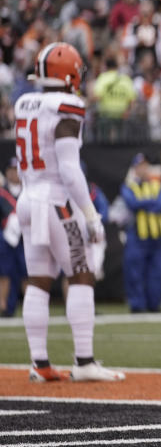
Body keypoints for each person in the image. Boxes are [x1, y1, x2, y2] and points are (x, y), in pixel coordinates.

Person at [14, 42, 124, 382]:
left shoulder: (24, 102)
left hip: (28, 197)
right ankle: (85, 361)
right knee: (81, 273)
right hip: (56, 200)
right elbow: (70, 170)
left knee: (39, 280)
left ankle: (40, 363)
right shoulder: (67, 104)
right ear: (70, 75)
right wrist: (91, 215)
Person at [120, 152, 161, 313]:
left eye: (145, 166)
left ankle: (154, 304)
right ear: (134, 169)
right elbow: (132, 203)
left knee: (157, 272)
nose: (143, 169)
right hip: (137, 235)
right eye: (140, 166)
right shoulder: (128, 186)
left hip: (157, 236)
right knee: (135, 272)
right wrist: (150, 202)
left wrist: (143, 203)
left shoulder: (157, 185)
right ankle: (137, 305)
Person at [0, 158, 26, 316]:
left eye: (16, 169)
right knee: (4, 274)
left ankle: (31, 308)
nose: (13, 173)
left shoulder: (28, 191)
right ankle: (3, 306)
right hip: (5, 239)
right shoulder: (2, 192)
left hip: (25, 239)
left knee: (28, 274)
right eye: (10, 169)